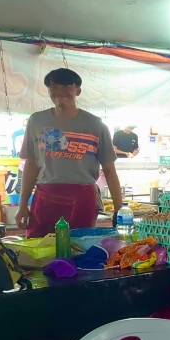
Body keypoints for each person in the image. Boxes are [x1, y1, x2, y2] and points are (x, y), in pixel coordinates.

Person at [15, 68, 123, 238]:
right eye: (54, 87)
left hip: (83, 198)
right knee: (41, 249)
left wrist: (119, 208)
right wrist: (22, 205)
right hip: (46, 197)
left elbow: (109, 169)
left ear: (78, 91)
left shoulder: (96, 125)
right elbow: (32, 164)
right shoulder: (36, 121)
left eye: (67, 88)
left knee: (79, 248)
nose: (60, 93)